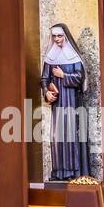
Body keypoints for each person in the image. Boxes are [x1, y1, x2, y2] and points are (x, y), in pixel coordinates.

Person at [40, 23, 89, 181]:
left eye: (60, 36)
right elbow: (44, 79)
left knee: (72, 135)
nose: (57, 39)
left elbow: (80, 78)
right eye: (54, 36)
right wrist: (47, 92)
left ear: (66, 36)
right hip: (58, 103)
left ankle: (74, 172)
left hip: (73, 103)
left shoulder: (74, 57)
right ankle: (60, 172)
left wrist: (63, 76)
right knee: (58, 136)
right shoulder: (51, 57)